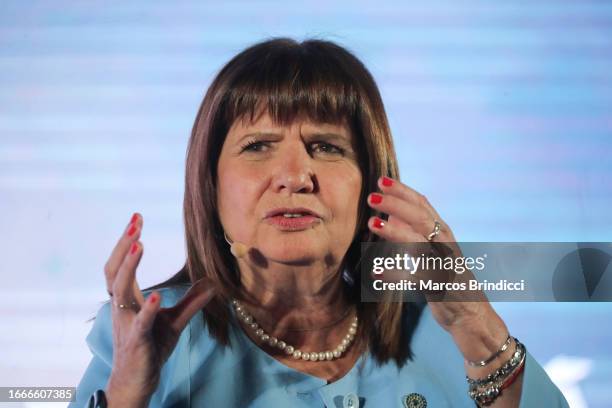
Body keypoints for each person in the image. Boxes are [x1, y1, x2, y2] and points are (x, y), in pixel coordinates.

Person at [70, 37, 569, 407]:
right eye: (258, 146)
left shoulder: (441, 333)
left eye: (327, 147)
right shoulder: (138, 338)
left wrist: (476, 326)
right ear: (210, 186)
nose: (294, 176)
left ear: (373, 186)